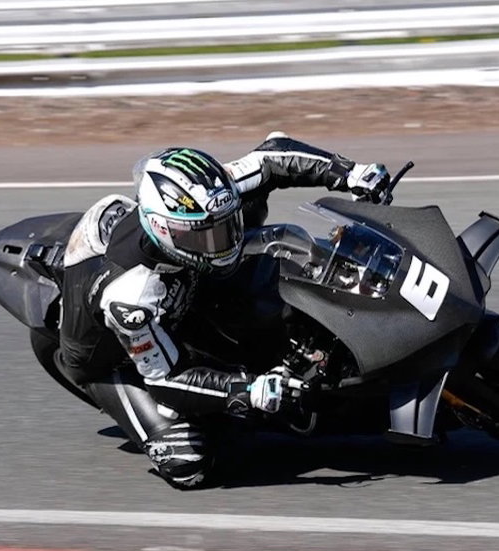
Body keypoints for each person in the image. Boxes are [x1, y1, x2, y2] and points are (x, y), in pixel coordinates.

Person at [53, 133, 391, 488]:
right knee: (188, 462)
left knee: (265, 246)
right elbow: (166, 380)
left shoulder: (207, 203)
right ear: (166, 230)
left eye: (228, 225)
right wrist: (246, 390)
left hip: (185, 294)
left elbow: (271, 157)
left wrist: (349, 173)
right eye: (210, 235)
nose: (227, 239)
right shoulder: (133, 298)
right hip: (111, 361)